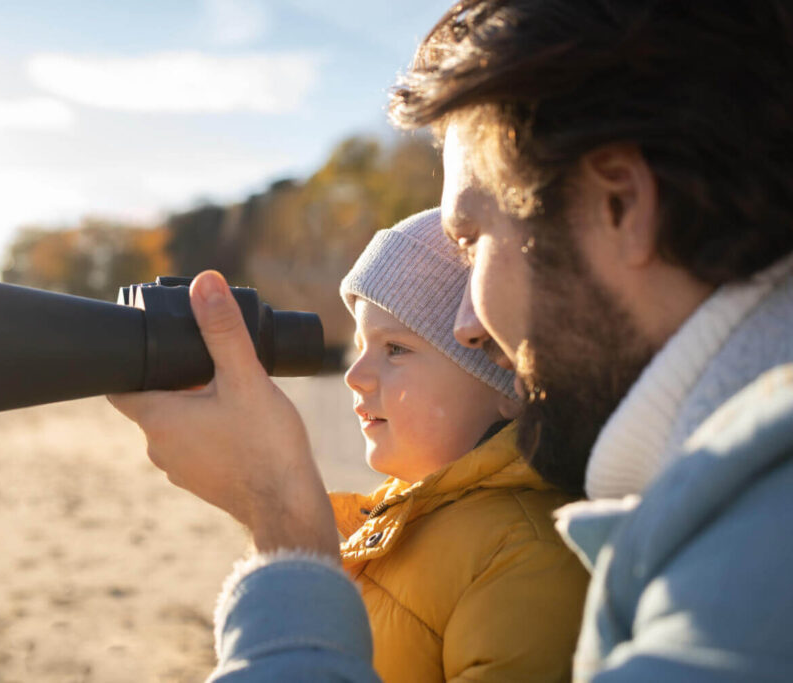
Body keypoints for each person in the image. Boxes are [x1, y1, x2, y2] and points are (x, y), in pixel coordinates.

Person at [108, 1, 793, 680]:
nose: (467, 322)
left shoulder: (751, 579)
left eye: (473, 240)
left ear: (619, 205)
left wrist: (284, 520)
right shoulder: (728, 526)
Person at [331, 208, 587, 681]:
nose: (355, 375)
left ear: (507, 382)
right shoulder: (398, 516)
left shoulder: (527, 557)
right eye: (359, 346)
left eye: (396, 349)